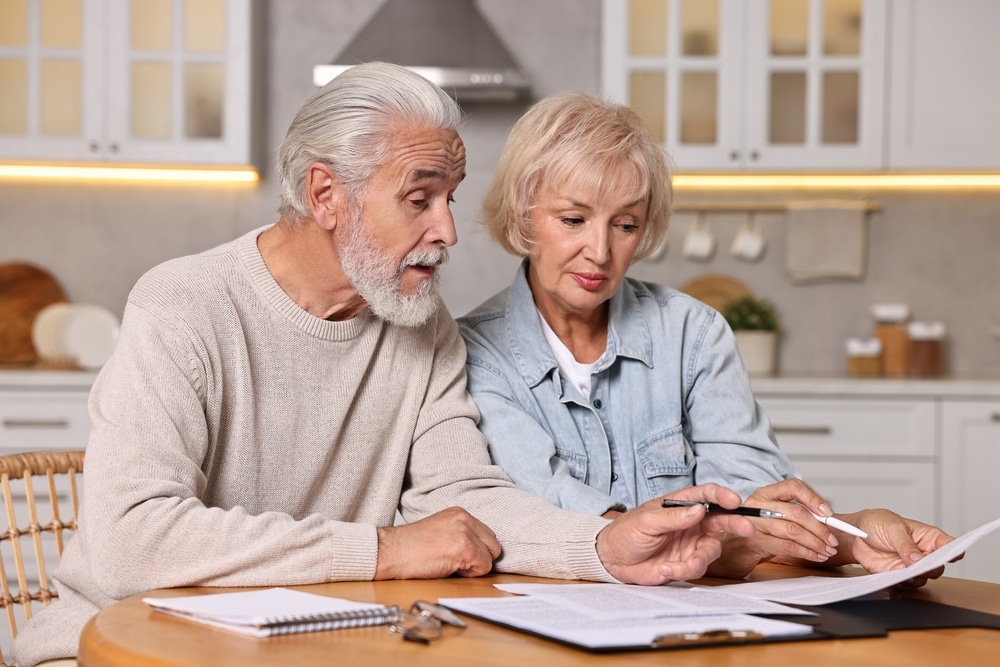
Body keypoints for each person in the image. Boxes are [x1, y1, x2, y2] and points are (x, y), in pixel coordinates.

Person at [12, 64, 760, 667]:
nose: (447, 231)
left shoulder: (420, 323)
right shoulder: (183, 305)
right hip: (113, 647)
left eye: (450, 198)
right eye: (419, 199)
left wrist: (602, 545)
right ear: (326, 195)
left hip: (309, 644)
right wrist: (383, 549)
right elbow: (132, 537)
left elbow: (466, 495)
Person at [457, 92, 955, 582]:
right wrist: (708, 540)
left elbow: (756, 509)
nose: (600, 251)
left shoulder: (693, 333)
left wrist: (853, 535)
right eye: (573, 220)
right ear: (524, 215)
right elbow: (533, 507)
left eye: (626, 225)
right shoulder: (475, 353)